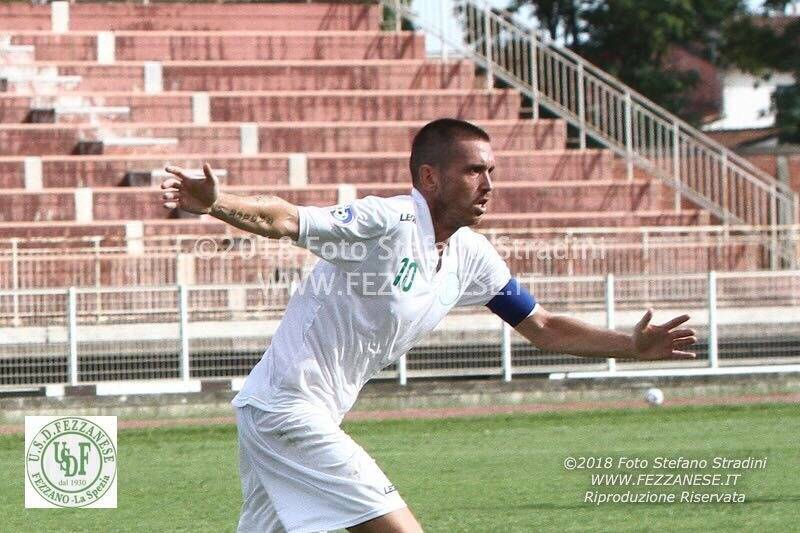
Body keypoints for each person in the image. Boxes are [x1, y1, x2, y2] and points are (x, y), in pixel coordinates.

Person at [160, 118, 696, 533]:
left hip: (292, 412)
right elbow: (284, 219)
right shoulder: (385, 221)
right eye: (473, 171)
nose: (488, 184)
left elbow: (544, 326)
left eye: (491, 171)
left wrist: (630, 344)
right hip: (287, 412)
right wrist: (216, 203)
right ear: (429, 177)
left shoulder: (472, 255)